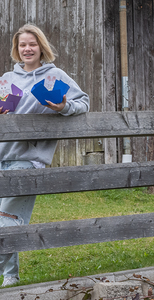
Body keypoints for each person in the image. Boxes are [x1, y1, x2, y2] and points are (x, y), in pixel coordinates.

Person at [0, 24, 90, 287]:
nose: (27, 49)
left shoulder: (54, 76)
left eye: (32, 44)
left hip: (28, 159)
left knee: (7, 218)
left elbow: (83, 102)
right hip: (1, 155)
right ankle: (11, 276)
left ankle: (9, 276)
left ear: (41, 47)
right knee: (4, 218)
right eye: (22, 45)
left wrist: (63, 107)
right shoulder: (7, 79)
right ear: (16, 50)